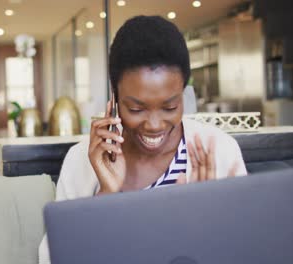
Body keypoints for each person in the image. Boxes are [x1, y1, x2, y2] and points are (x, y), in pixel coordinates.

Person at [38, 15, 247, 263]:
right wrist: (105, 196)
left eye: (170, 107)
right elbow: (54, 258)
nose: (155, 125)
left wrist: (207, 218)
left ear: (183, 95)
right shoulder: (81, 161)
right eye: (136, 109)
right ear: (114, 98)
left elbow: (247, 250)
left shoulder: (218, 150)